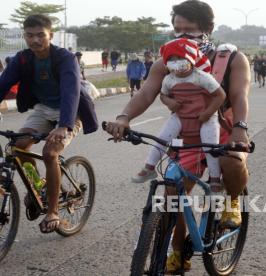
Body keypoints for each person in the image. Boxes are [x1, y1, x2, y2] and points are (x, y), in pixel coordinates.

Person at [104, 1, 251, 272]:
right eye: (177, 30)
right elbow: (147, 92)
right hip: (187, 134)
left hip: (223, 130)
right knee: (173, 192)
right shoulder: (167, 61)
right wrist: (123, 118)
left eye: (190, 31)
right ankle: (178, 251)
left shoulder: (231, 58)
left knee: (232, 161)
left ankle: (232, 202)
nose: (182, 37)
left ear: (208, 29)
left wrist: (240, 128)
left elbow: (240, 95)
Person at [0, 14, 98, 234]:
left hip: (69, 112)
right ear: (24, 36)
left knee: (50, 153)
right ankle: (39, 186)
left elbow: (70, 91)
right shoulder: (23, 58)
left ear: (50, 35)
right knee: (19, 145)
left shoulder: (65, 58)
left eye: (40, 35)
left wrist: (64, 125)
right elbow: (0, 87)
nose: (35, 40)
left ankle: (52, 211)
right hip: (43, 108)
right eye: (30, 35)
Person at [132, 38, 226, 193]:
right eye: (172, 60)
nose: (177, 64)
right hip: (180, 116)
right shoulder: (169, 79)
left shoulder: (202, 77)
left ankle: (215, 179)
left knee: (211, 147)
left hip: (205, 118)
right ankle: (149, 168)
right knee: (161, 139)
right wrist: (170, 102)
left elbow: (220, 96)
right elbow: (163, 95)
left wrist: (208, 113)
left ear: (190, 58)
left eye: (180, 59)